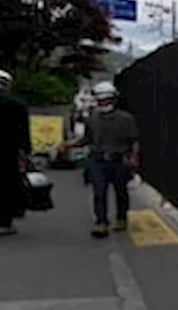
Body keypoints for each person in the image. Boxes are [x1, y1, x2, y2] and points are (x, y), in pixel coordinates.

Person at [59, 82, 140, 238]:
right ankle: (101, 222)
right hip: (98, 160)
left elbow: (134, 139)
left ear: (113, 100)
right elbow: (86, 139)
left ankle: (121, 218)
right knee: (99, 191)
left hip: (118, 160)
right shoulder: (92, 119)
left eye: (107, 100)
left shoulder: (126, 118)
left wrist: (134, 157)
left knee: (120, 191)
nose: (104, 103)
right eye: (101, 100)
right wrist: (68, 144)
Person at [0, 69, 31, 236]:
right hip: (7, 152)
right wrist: (25, 152)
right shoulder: (16, 104)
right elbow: (24, 132)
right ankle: (4, 223)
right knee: (7, 188)